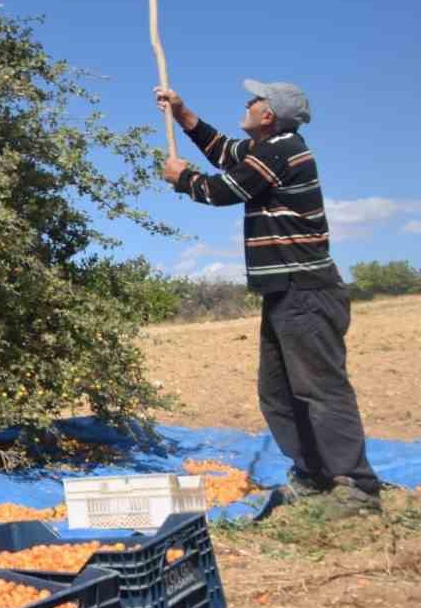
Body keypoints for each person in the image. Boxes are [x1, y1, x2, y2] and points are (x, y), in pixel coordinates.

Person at [156, 80, 380, 513]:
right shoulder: (266, 149)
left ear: (269, 116)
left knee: (321, 389)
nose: (248, 102)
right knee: (276, 393)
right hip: (283, 293)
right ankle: (314, 474)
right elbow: (222, 150)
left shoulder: (282, 151)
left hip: (306, 290)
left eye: (255, 99)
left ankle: (357, 486)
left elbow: (226, 189)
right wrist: (182, 113)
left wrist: (183, 179)